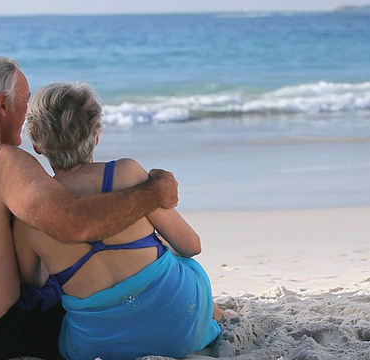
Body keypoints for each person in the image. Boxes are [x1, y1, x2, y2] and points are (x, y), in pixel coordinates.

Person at [0, 56, 178, 360]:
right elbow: (76, 225)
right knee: (65, 281)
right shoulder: (4, 160)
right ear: (2, 104)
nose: (28, 112)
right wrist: (153, 192)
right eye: (25, 101)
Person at [13, 82, 226, 360]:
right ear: (96, 135)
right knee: (178, 257)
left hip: (96, 346)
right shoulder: (126, 174)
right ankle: (214, 315)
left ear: (37, 146)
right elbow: (191, 246)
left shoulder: (28, 215)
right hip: (179, 330)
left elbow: (35, 280)